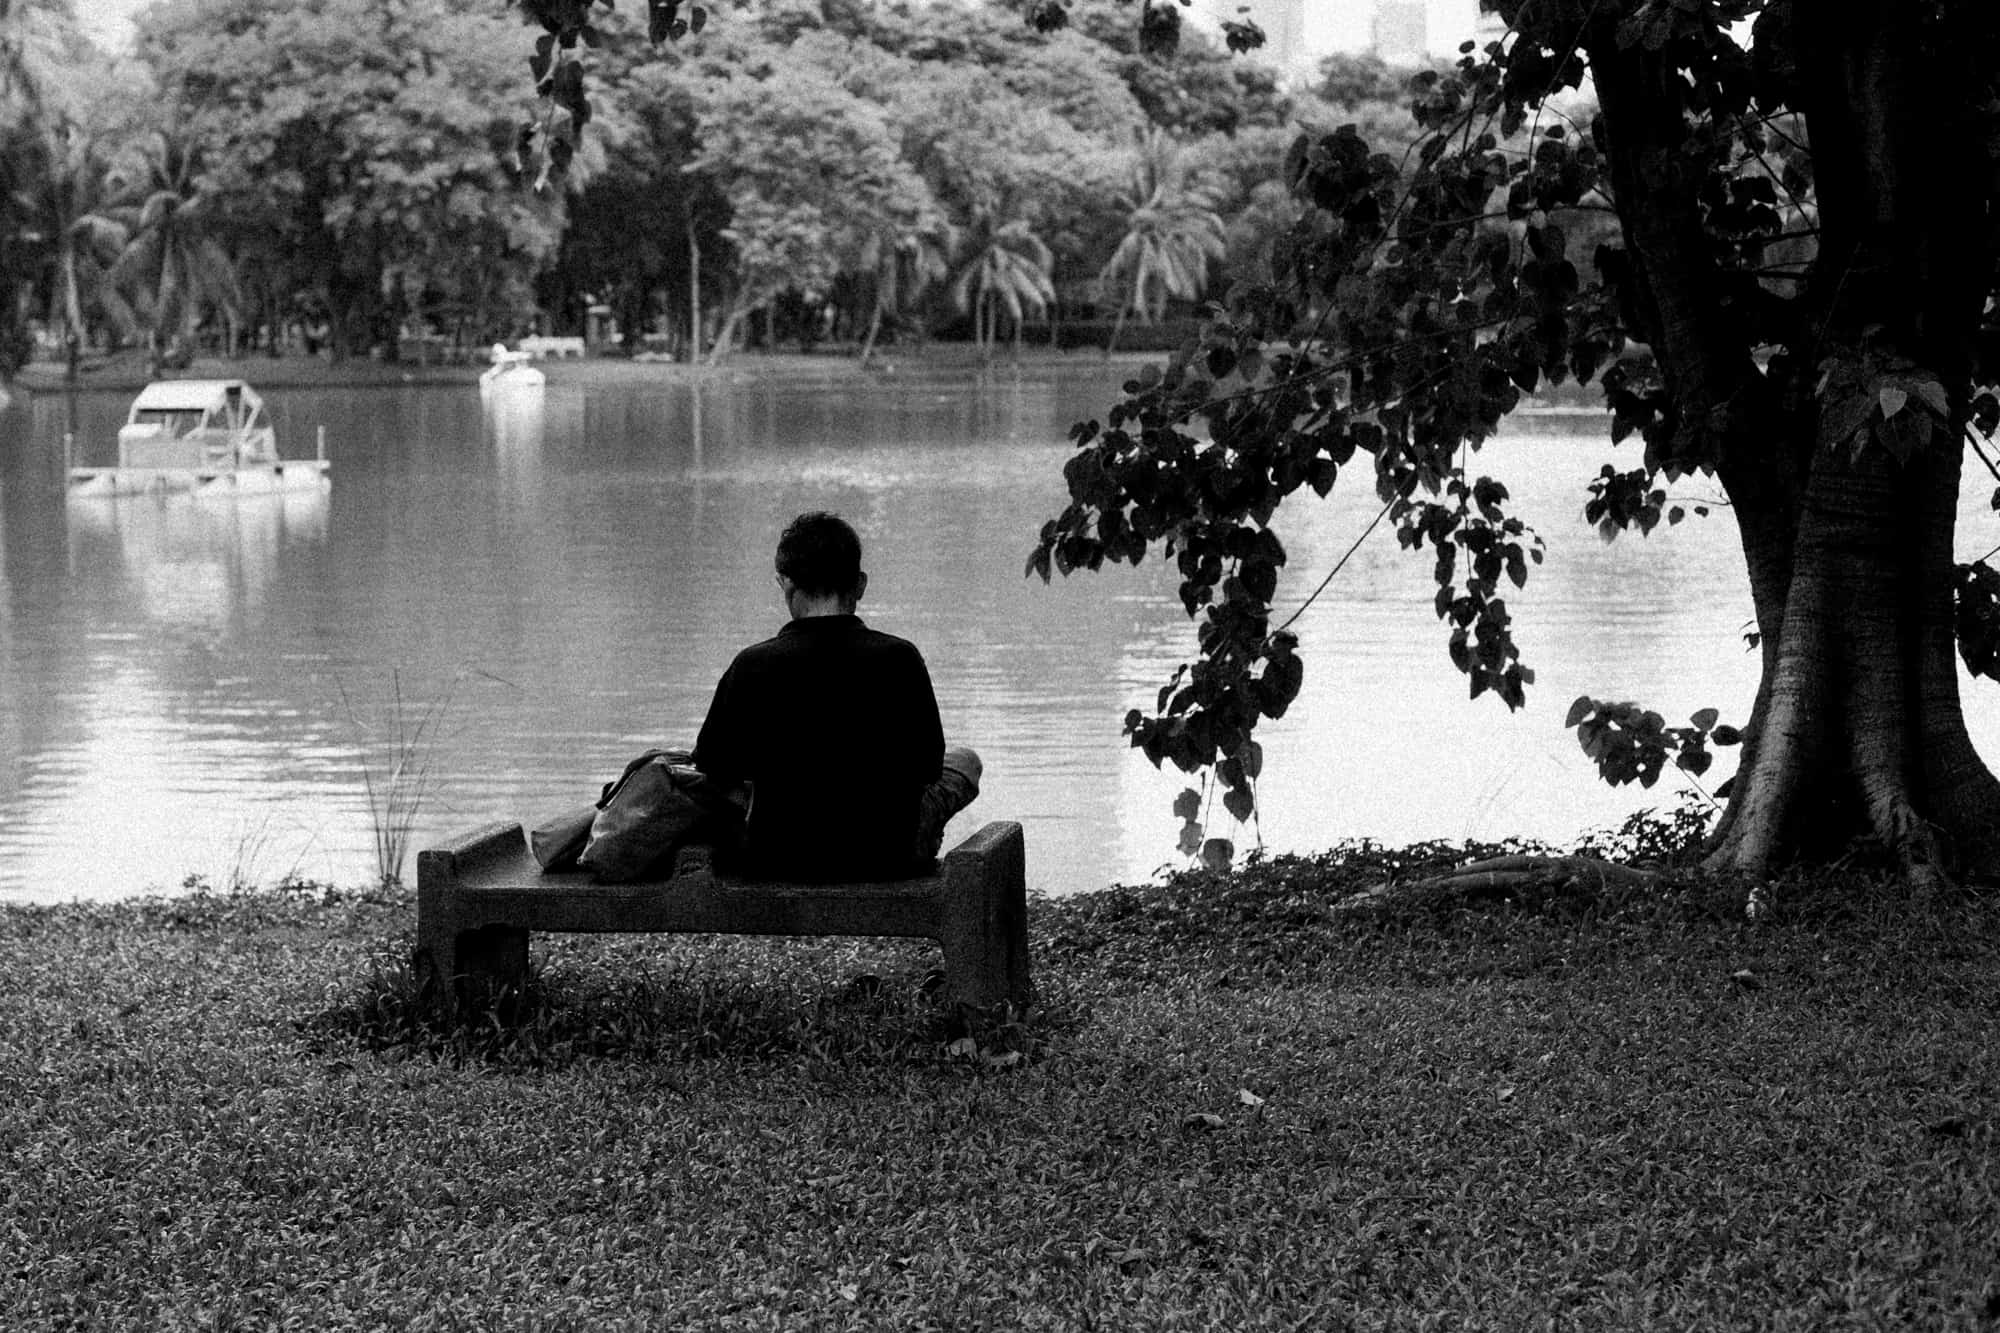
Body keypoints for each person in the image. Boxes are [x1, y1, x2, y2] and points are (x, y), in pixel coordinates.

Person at [692, 511, 982, 881]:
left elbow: (715, 771)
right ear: (860, 585)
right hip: (885, 858)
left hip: (777, 857)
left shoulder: (751, 664)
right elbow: (928, 766)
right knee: (965, 761)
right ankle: (921, 836)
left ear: (786, 584)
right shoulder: (900, 658)